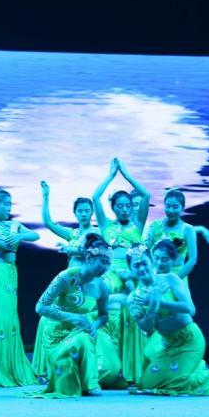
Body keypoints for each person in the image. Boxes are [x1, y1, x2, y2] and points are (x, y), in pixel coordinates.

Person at [127, 244, 209, 396]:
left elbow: (190, 309)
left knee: (175, 384)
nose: (141, 268)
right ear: (130, 269)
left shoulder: (170, 279)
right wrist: (152, 306)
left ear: (151, 262)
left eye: (144, 263)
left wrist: (159, 301)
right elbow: (147, 328)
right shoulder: (133, 298)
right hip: (168, 344)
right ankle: (195, 369)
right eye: (136, 265)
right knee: (146, 384)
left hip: (189, 339)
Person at [31, 234, 124, 397]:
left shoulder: (102, 287)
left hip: (81, 331)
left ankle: (84, 380)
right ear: (88, 257)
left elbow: (103, 315)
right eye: (103, 262)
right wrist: (74, 318)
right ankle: (90, 385)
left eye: (108, 264)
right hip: (56, 333)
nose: (106, 267)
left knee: (110, 367)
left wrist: (94, 326)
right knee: (83, 340)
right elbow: (40, 307)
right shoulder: (67, 277)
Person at [93, 158, 150, 383]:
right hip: (110, 274)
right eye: (120, 206)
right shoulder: (106, 225)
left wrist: (125, 173)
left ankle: (132, 370)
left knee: (133, 313)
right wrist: (111, 175)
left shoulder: (138, 225)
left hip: (132, 274)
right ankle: (109, 363)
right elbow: (95, 197)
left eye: (128, 205)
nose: (125, 209)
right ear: (114, 208)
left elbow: (146, 195)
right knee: (105, 303)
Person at [34, 181, 99, 380]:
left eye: (87, 210)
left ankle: (76, 366)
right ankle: (47, 368)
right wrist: (46, 196)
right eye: (80, 211)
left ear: (92, 212)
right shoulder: (73, 233)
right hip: (67, 283)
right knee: (48, 318)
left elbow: (91, 251)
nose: (84, 214)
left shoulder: (96, 233)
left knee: (75, 318)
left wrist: (70, 249)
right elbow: (49, 223)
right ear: (75, 213)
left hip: (84, 285)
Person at [0, 187, 39, 387]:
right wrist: (15, 235)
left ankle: (12, 367)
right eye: (5, 204)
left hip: (10, 274)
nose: (9, 208)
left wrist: (20, 235)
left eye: (10, 204)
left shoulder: (12, 224)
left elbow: (35, 236)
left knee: (12, 319)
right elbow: (6, 245)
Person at [143, 188, 198, 283]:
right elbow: (146, 249)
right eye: (168, 206)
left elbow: (192, 260)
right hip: (156, 275)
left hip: (178, 275)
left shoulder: (188, 229)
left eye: (175, 207)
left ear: (182, 207)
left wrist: (175, 281)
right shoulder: (155, 225)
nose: (171, 210)